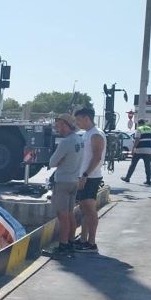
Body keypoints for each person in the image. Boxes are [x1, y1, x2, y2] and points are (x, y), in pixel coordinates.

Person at [47, 114, 83, 254]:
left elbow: (52, 162)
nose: (57, 128)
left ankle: (63, 245)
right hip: (74, 180)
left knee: (62, 216)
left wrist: (59, 161)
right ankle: (70, 241)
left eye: (59, 125)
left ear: (65, 125)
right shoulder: (79, 140)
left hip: (62, 182)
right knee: (70, 214)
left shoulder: (66, 142)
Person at [73, 108, 106, 254]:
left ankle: (91, 243)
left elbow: (97, 157)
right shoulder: (87, 133)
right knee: (84, 209)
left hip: (91, 177)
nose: (77, 123)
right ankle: (83, 240)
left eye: (78, 120)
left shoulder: (96, 134)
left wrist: (85, 175)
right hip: (83, 176)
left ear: (87, 118)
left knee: (90, 210)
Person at [121, 119, 151, 185]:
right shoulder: (150, 129)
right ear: (144, 123)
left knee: (133, 164)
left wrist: (133, 149)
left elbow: (137, 139)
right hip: (148, 150)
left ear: (139, 124)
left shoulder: (139, 129)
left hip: (139, 149)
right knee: (147, 166)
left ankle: (127, 178)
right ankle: (148, 180)